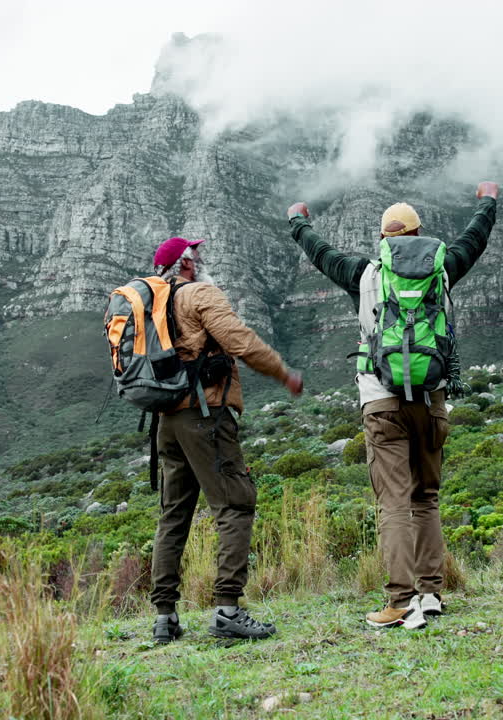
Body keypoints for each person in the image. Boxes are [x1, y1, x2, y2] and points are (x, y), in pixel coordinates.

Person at [285, 182, 498, 629]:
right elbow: (474, 238)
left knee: (395, 504)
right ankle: (431, 593)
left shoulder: (363, 275)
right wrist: (487, 201)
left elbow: (320, 253)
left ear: (383, 238)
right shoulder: (443, 268)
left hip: (381, 401)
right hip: (430, 398)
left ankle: (400, 602)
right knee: (427, 498)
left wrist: (298, 221)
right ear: (420, 234)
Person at [147, 236, 304, 643]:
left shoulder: (152, 303)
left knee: (173, 515)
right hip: (205, 417)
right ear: (185, 264)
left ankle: (165, 617)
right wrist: (282, 372)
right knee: (235, 504)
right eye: (195, 255)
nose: (200, 259)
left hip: (166, 421)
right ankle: (227, 610)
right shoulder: (199, 294)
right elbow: (241, 341)